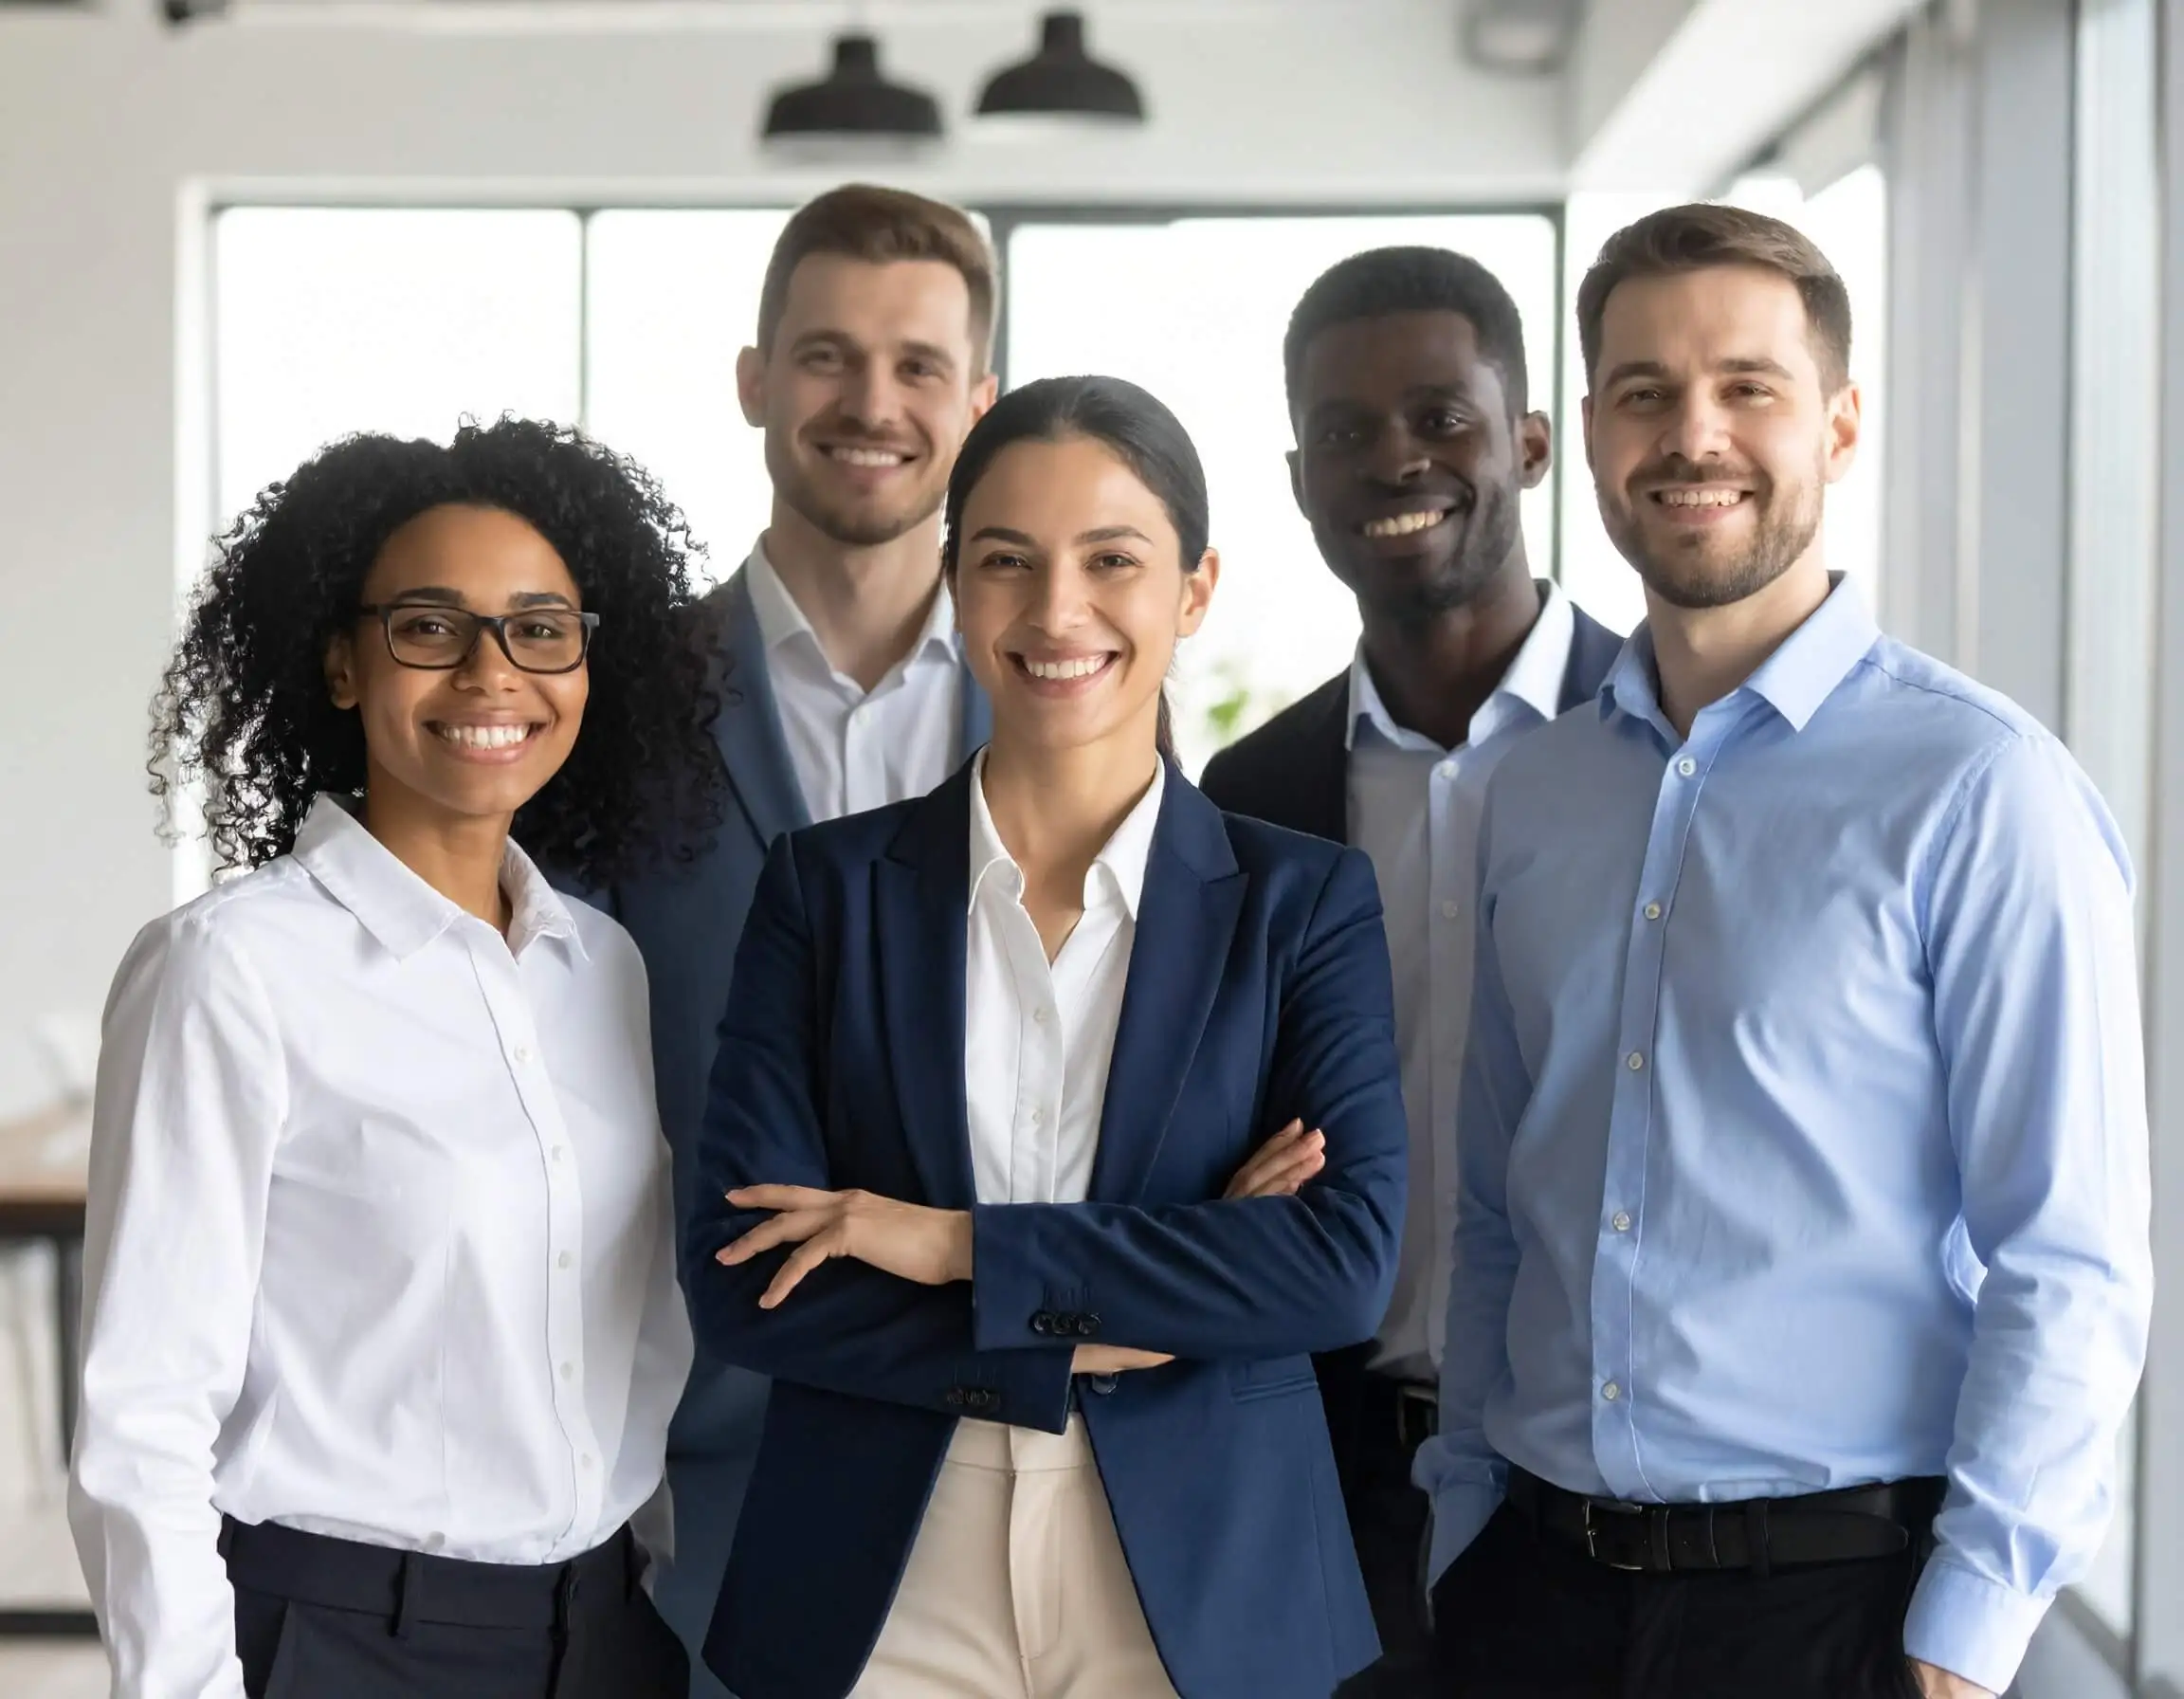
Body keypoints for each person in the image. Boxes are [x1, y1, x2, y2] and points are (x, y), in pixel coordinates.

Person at [1415, 203, 2153, 1699]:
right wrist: (1464, 1523)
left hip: (1841, 1618)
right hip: (1533, 1604)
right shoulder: (1529, 794)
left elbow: (2067, 1258)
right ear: (1594, 435)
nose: (1695, 436)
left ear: (1840, 423)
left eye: (1747, 387)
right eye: (1645, 392)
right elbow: (1499, 1211)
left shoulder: (1980, 789)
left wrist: (1963, 1642)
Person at [681, 375, 1409, 1699]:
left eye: (1112, 561)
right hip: (879, 1584)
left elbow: (1336, 1270)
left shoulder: (1302, 904)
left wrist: (943, 1244)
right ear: (956, 586)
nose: (1056, 610)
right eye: (1007, 560)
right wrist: (1100, 1318)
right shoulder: (825, 892)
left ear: (1192, 592)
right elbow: (745, 1277)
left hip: (1204, 1586)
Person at [69, 417, 720, 1698]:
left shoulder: (602, 969)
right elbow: (141, 1418)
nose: (493, 675)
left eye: (541, 628)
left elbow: (633, 1325)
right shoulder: (232, 970)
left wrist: (638, 1580)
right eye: (429, 627)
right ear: (344, 663)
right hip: (345, 1644)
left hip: (602, 1638)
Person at [580, 183, 1002, 1690]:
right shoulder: (612, 715)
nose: (872, 403)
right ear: (755, 380)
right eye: (826, 356)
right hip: (709, 1473)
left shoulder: (1076, 710)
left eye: (918, 365)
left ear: (979, 401)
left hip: (1016, 1457)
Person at [1198, 247, 1622, 1695]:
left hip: (1606, 1492)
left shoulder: (1673, 746)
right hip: (1333, 1482)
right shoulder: (1248, 790)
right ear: (1301, 478)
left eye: (1443, 415)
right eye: (1347, 432)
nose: (1398, 459)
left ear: (1532, 441)